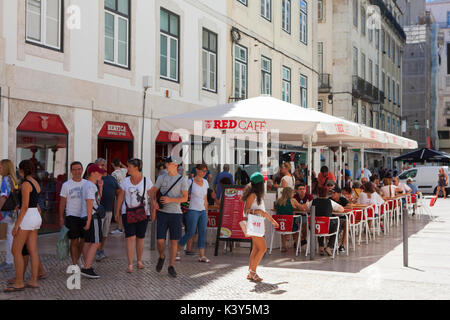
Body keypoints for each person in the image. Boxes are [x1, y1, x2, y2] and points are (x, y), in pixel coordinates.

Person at [4, 160, 42, 292]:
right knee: (33, 250)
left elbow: (25, 206)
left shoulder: (26, 184)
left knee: (16, 250)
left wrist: (16, 226)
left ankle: (19, 282)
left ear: (22, 170)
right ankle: (33, 280)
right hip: (35, 216)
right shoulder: (36, 182)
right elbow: (32, 202)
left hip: (27, 218)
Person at [150, 156, 188, 278]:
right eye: (167, 163)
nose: (167, 165)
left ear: (175, 165)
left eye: (169, 163)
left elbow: (185, 198)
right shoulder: (162, 177)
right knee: (160, 241)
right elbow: (152, 191)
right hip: (162, 213)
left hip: (176, 214)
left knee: (173, 241)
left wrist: (170, 199)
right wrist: (154, 202)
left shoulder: (182, 180)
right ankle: (161, 256)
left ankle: (171, 266)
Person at [115, 159, 153, 273]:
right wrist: (117, 212)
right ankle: (130, 263)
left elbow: (152, 198)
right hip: (128, 213)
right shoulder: (125, 182)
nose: (128, 169)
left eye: (130, 166)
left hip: (143, 213)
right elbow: (120, 197)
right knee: (130, 237)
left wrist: (154, 211)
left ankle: (139, 260)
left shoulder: (147, 181)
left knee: (140, 237)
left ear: (136, 167)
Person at [241, 172, 279, 282]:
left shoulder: (256, 195)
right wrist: (257, 211)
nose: (265, 183)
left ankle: (250, 272)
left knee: (256, 248)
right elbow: (246, 211)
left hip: (257, 225)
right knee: (262, 248)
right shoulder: (252, 195)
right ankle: (253, 272)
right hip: (254, 225)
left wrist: (271, 220)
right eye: (263, 182)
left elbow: (263, 212)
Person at [177, 163, 210, 263]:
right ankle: (177, 249)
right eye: (202, 170)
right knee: (190, 232)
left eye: (206, 171)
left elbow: (205, 199)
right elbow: (183, 196)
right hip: (192, 210)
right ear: (197, 170)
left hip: (202, 211)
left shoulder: (205, 182)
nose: (204, 173)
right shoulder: (189, 182)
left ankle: (202, 255)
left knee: (202, 232)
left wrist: (207, 212)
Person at [80, 163, 106, 279]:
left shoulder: (89, 185)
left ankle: (86, 264)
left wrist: (100, 188)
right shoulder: (90, 186)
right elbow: (89, 202)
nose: (101, 174)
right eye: (99, 173)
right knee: (96, 242)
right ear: (93, 173)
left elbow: (96, 200)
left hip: (87, 216)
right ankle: (87, 267)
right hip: (92, 217)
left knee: (88, 241)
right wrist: (89, 220)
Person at [59, 161, 86, 266]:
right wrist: (61, 217)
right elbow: (62, 202)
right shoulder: (66, 185)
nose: (77, 171)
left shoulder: (87, 184)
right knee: (74, 241)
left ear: (82, 170)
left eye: (79, 169)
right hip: (71, 215)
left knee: (83, 240)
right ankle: (75, 264)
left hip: (84, 216)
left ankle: (77, 258)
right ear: (71, 171)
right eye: (74, 169)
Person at [95, 158, 121, 261]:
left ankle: (101, 250)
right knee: (98, 233)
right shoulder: (95, 179)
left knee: (105, 233)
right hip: (98, 211)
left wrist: (117, 209)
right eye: (101, 165)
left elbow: (119, 192)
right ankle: (96, 251)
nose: (103, 167)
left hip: (109, 210)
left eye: (104, 165)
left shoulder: (111, 179)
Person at [310, 187, 344, 256]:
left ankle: (321, 247)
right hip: (327, 227)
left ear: (318, 194)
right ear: (327, 194)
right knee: (336, 226)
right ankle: (329, 246)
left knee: (319, 224)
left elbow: (304, 207)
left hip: (314, 227)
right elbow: (341, 209)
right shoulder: (330, 202)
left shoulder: (313, 201)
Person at [0, 159, 19, 270]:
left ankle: (9, 261)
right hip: (13, 212)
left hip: (6, 212)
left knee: (9, 236)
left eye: (1, 167)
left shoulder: (5, 180)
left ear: (6, 167)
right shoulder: (13, 179)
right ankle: (9, 260)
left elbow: (4, 197)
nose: (0, 169)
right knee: (10, 236)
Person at [276, 187, 304, 252]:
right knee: (297, 227)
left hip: (280, 225)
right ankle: (297, 246)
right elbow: (302, 208)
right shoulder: (293, 200)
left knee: (283, 230)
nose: (294, 194)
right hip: (290, 225)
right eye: (292, 192)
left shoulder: (279, 200)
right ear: (289, 193)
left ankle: (283, 246)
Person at [110, 159, 128, 235]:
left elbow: (114, 184)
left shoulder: (113, 173)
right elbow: (127, 168)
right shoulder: (123, 170)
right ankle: (122, 227)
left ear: (113, 164)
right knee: (123, 209)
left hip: (118, 192)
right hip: (125, 192)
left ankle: (120, 227)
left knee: (119, 210)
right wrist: (122, 164)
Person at [329, 186, 349, 252]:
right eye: (331, 193)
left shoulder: (343, 200)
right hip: (332, 220)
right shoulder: (329, 200)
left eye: (334, 193)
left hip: (342, 219)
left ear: (339, 194)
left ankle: (342, 245)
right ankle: (331, 244)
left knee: (347, 224)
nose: (332, 194)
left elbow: (349, 206)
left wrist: (340, 209)